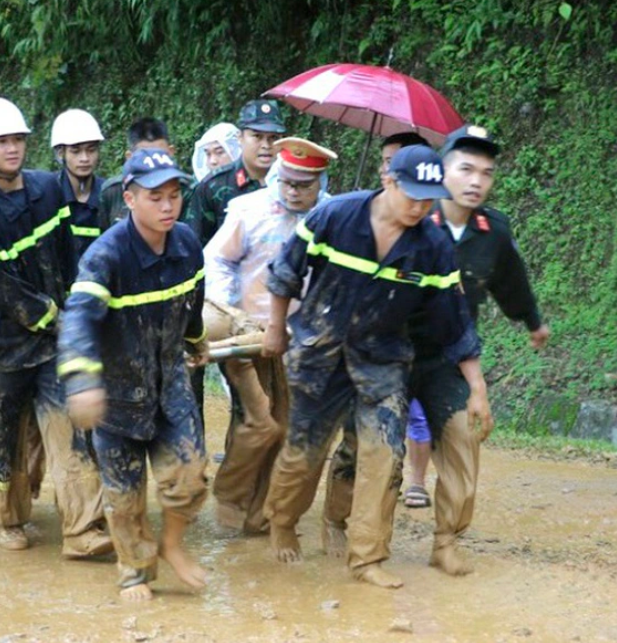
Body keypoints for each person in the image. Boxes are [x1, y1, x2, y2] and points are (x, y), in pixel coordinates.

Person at [324, 125, 549, 576]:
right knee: (367, 445)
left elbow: (510, 280)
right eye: (465, 168)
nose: (476, 181)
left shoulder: (492, 231)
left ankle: (446, 540)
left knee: (465, 437)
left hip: (445, 357)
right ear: (440, 170)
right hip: (386, 353)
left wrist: (531, 321)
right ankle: (341, 522)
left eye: (485, 173)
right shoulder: (404, 218)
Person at [261, 145, 486, 589]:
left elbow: (454, 321)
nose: (421, 206)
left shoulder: (433, 245)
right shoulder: (337, 216)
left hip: (383, 361)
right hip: (320, 354)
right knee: (303, 455)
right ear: (389, 181)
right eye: (412, 195)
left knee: (384, 453)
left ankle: (367, 557)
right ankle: (282, 520)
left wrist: (475, 386)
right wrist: (274, 328)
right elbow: (286, 271)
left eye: (430, 197)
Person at [59, 148, 211, 600]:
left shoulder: (187, 244)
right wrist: (83, 381)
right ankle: (135, 571)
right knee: (124, 496)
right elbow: (78, 319)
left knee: (190, 474)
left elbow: (193, 303)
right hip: (117, 395)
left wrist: (196, 339)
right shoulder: (105, 256)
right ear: (129, 198)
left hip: (171, 386)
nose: (167, 206)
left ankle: (172, 543)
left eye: (174, 196)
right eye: (154, 197)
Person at [0, 96, 111, 556]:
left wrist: (79, 307)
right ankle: (9, 521)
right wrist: (60, 320)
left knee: (71, 430)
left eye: (18, 140)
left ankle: (83, 530)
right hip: (1, 347)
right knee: (2, 440)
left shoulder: (49, 190)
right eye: (1, 141)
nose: (12, 149)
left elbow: (68, 254)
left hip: (52, 344)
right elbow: (6, 293)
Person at [204, 138, 336, 534]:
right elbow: (218, 260)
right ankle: (232, 496)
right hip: (249, 332)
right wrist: (231, 312)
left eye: (304, 185)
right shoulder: (249, 210)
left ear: (320, 182)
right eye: (288, 182)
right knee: (257, 421)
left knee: (291, 426)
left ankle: (265, 513)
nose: (294, 191)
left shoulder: (333, 217)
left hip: (304, 340)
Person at [373, 131, 435, 507]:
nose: (389, 167)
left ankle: (414, 481)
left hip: (411, 336)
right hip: (363, 337)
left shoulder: (429, 227)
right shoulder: (353, 215)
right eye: (385, 161)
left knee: (415, 412)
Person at [183, 99, 286, 248]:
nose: (266, 145)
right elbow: (195, 247)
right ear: (240, 138)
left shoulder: (292, 183)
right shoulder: (213, 186)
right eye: (257, 136)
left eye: (273, 138)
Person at [98, 117, 177, 229]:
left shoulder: (185, 190)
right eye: (145, 157)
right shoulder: (112, 191)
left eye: (159, 155)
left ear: (171, 153)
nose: (153, 164)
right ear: (129, 157)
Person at [51, 108, 106, 257]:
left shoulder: (109, 194)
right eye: (76, 151)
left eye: (91, 150)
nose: (85, 158)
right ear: (61, 153)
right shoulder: (48, 195)